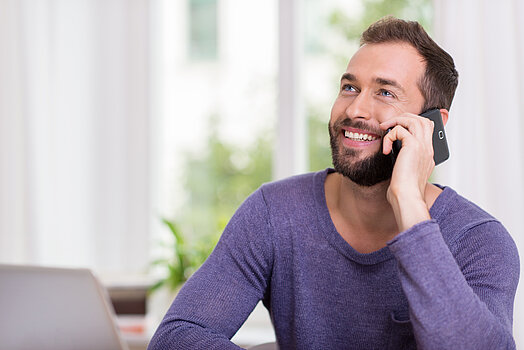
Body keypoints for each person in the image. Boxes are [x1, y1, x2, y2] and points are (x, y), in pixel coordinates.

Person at [148, 16, 520, 349]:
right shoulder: (274, 213)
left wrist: (408, 199)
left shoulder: (479, 241)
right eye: (349, 87)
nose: (355, 110)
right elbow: (177, 336)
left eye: (385, 93)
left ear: (433, 125)